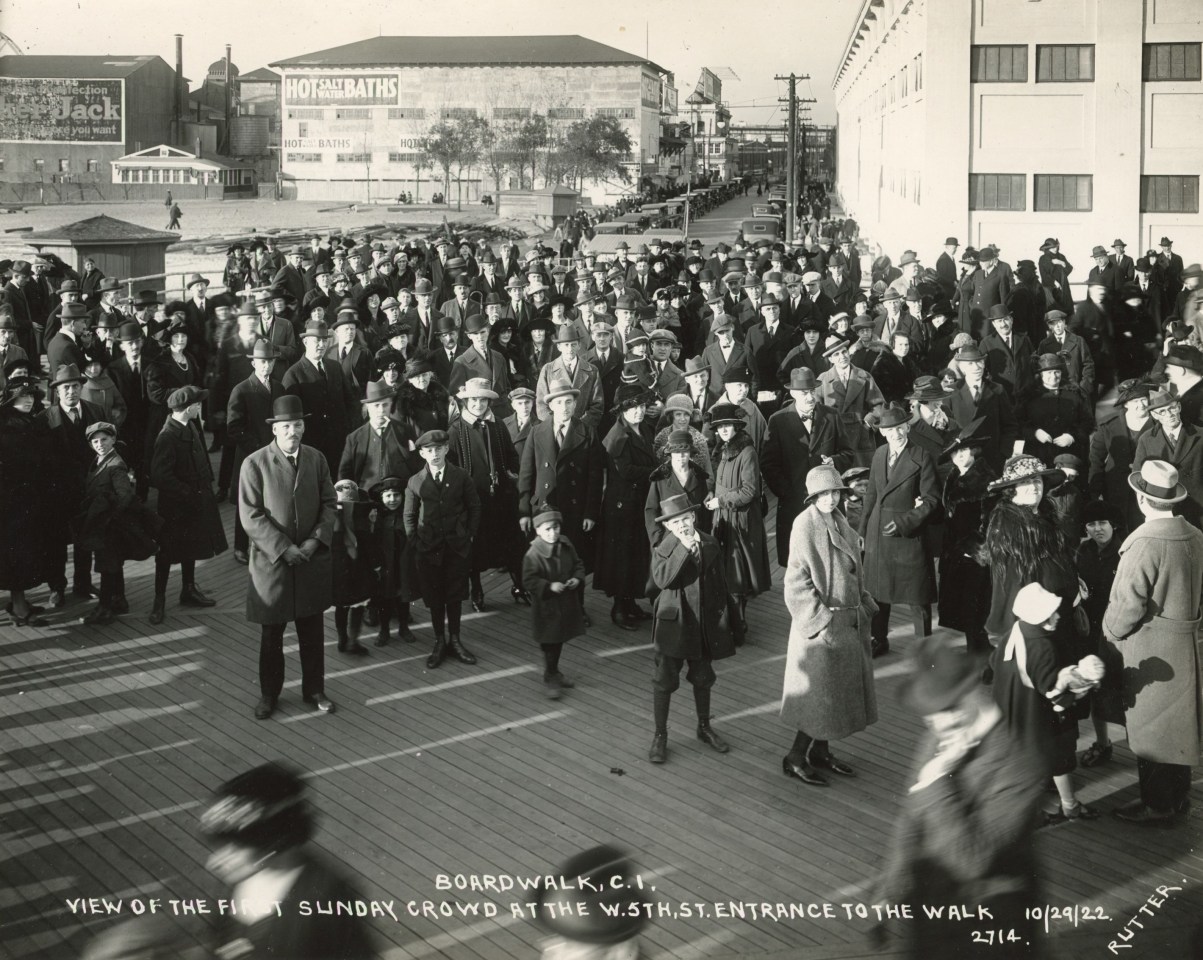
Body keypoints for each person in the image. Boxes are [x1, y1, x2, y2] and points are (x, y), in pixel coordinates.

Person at [872, 639, 1043, 958]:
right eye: (929, 714)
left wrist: (937, 780)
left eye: (948, 708)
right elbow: (911, 816)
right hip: (931, 917)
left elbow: (973, 859)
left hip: (989, 929)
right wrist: (889, 890)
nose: (938, 724)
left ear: (973, 690)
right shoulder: (944, 732)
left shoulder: (1021, 762)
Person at [1103, 460, 1203, 824]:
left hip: (1151, 646)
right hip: (1186, 644)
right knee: (1178, 725)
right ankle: (1177, 799)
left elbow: (1126, 607)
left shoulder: (1144, 543)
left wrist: (1109, 634)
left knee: (1151, 727)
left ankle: (1157, 806)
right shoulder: (1193, 534)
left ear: (1142, 500)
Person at [198, 763, 376, 959]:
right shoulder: (240, 877)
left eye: (238, 846)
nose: (215, 862)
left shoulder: (328, 895)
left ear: (277, 841)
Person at [239, 394, 337, 720]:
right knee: (272, 635)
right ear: (275, 430)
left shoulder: (317, 459)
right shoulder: (254, 464)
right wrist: (283, 548)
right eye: (285, 426)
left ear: (304, 426)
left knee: (312, 631)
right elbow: (250, 516)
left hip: (309, 560)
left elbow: (329, 503)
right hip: (273, 564)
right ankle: (269, 695)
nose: (292, 431)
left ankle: (315, 690)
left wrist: (315, 540)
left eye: (297, 425)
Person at [779, 463, 877, 787]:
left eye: (835, 492)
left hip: (844, 621)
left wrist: (864, 605)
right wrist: (821, 621)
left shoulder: (840, 521)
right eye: (823, 493)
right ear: (812, 497)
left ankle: (820, 753)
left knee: (829, 698)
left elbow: (855, 572)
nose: (830, 498)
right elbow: (794, 582)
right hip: (821, 629)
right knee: (818, 698)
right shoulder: (804, 526)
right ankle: (795, 758)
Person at [994, 583, 1101, 826]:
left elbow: (995, 662)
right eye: (1051, 612)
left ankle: (1028, 811)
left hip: (1011, 709)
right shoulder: (1043, 647)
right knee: (1058, 759)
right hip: (1038, 717)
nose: (1058, 615)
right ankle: (1070, 807)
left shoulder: (1014, 632)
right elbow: (1052, 691)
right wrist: (1081, 687)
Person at [647, 494, 735, 765]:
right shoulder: (665, 548)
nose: (683, 525)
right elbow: (662, 579)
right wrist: (684, 548)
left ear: (694, 517)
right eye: (676, 522)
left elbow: (720, 581)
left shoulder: (709, 542)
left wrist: (727, 619)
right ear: (669, 527)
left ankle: (704, 727)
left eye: (686, 518)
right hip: (674, 624)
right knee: (665, 680)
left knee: (703, 676)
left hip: (703, 624)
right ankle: (660, 735)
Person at [518, 378, 605, 626]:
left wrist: (590, 512)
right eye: (559, 402)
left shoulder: (586, 432)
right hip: (544, 508)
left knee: (572, 558)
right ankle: (546, 607)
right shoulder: (537, 431)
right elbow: (526, 474)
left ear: (576, 404)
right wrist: (524, 510)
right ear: (551, 405)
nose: (565, 407)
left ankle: (576, 607)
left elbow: (594, 476)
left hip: (575, 509)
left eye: (569, 402)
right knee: (544, 558)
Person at [860, 403, 939, 658]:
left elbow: (932, 501)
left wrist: (906, 522)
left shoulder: (922, 456)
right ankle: (879, 639)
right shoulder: (880, 454)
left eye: (900, 428)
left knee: (917, 598)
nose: (896, 434)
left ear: (907, 426)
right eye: (890, 430)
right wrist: (862, 531)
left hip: (908, 535)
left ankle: (924, 650)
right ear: (882, 432)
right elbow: (871, 495)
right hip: (878, 534)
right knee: (878, 593)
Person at [446, 378, 528, 610]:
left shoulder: (497, 425)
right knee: (476, 545)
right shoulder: (456, 429)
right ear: (466, 401)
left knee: (510, 542)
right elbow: (450, 464)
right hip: (473, 499)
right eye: (474, 400)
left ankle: (519, 584)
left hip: (501, 496)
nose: (479, 405)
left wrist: (510, 473)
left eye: (483, 400)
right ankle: (477, 590)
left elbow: (511, 456)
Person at [404, 429, 481, 669]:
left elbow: (475, 507)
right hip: (429, 550)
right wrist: (417, 544)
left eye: (439, 449)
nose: (434, 454)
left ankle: (455, 640)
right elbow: (409, 516)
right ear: (422, 453)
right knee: (435, 597)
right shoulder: (415, 482)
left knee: (455, 595)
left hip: (456, 548)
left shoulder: (460, 476)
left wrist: (467, 536)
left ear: (446, 449)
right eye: (429, 450)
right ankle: (439, 640)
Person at [149, 385, 225, 624]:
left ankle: (188, 589)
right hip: (175, 507)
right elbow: (159, 475)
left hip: (193, 500)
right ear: (189, 408)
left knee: (191, 546)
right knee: (166, 553)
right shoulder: (168, 436)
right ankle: (158, 601)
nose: (200, 407)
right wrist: (186, 492)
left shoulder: (189, 425)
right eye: (197, 404)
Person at [761, 366, 851, 567]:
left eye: (812, 391)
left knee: (832, 558)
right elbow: (768, 464)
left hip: (828, 503)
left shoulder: (831, 416)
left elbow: (848, 453)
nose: (810, 397)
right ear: (792, 393)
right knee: (799, 561)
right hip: (795, 503)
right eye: (804, 393)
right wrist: (787, 492)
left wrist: (835, 461)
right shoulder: (778, 420)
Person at [75, 421, 158, 624]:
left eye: (104, 439)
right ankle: (118, 599)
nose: (100, 444)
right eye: (95, 441)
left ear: (113, 439)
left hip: (109, 525)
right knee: (112, 562)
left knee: (106, 565)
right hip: (104, 523)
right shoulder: (100, 459)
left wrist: (111, 515)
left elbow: (125, 495)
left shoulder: (115, 465)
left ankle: (104, 608)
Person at [40, 362, 105, 607]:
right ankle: (57, 587)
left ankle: (83, 583)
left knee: (85, 538)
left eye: (75, 386)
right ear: (57, 391)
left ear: (81, 387)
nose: (71, 392)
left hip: (88, 488)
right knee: (57, 542)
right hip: (58, 493)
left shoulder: (96, 412)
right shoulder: (45, 419)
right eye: (66, 387)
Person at [706, 402, 771, 646]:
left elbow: (749, 491)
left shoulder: (746, 452)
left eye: (728, 425)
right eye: (720, 426)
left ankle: (739, 625)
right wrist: (713, 496)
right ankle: (733, 622)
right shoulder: (724, 449)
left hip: (740, 519)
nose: (723, 430)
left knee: (737, 573)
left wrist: (720, 501)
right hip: (725, 517)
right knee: (729, 571)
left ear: (736, 427)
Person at [594, 382, 657, 630]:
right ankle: (619, 609)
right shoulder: (617, 436)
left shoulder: (644, 429)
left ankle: (630, 604)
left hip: (638, 501)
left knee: (635, 555)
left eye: (641, 406)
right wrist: (658, 471)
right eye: (632, 407)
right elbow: (626, 471)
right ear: (622, 410)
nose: (638, 411)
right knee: (621, 557)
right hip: (622, 505)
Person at [938, 418, 995, 655]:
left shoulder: (984, 477)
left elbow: (989, 518)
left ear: (972, 450)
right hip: (955, 549)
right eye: (955, 453)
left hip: (975, 551)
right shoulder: (953, 475)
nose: (960, 456)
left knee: (974, 603)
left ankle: (978, 650)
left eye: (963, 450)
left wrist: (971, 546)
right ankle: (978, 646)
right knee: (963, 603)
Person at [1075, 499, 1124, 770]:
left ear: (1112, 524)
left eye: (1102, 523)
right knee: (1096, 689)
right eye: (1091, 524)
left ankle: (1140, 749)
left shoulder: (1125, 551)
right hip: (1091, 631)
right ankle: (1103, 743)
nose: (1097, 529)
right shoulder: (1084, 551)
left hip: (1120, 632)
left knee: (1125, 689)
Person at [0, 375, 51, 626]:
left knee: (22, 553)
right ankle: (18, 608)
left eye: (32, 395)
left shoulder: (26, 422)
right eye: (23, 395)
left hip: (25, 499)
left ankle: (19, 602)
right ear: (12, 398)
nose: (29, 400)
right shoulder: (7, 425)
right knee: (15, 554)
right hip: (9, 502)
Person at [522, 508, 586, 699]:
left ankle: (555, 672)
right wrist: (549, 586)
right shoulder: (533, 554)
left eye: (556, 527)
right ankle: (550, 676)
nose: (553, 532)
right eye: (547, 529)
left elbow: (578, 564)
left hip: (565, 604)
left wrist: (577, 578)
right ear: (538, 531)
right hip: (547, 607)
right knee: (549, 641)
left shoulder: (566, 544)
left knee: (558, 640)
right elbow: (528, 580)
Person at [1088, 378, 1154, 535]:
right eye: (1135, 401)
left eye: (1144, 399)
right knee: (1119, 531)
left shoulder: (1157, 422)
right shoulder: (1109, 424)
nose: (1141, 405)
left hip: (1148, 488)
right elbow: (1095, 459)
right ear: (1126, 404)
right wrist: (1094, 492)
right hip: (1116, 489)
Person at [330, 479, 374, 656]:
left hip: (356, 561)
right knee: (344, 604)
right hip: (342, 562)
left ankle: (351, 640)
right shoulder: (333, 515)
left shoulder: (362, 510)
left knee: (357, 603)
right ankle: (344, 639)